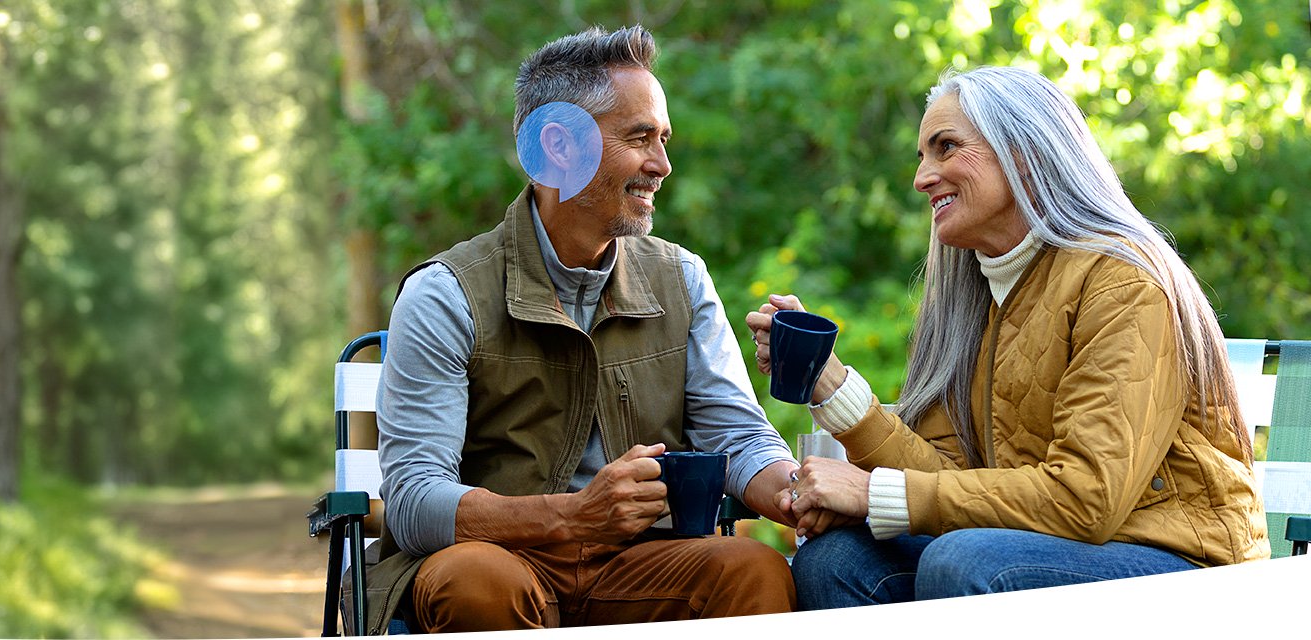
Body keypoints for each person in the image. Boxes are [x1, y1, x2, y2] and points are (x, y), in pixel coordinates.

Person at [744, 66, 1269, 609]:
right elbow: (951, 481)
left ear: (1023, 152)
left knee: (965, 562)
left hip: (1186, 563)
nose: (923, 177)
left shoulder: (1122, 281)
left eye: (946, 147)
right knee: (837, 561)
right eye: (922, 156)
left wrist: (874, 494)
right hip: (1045, 543)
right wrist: (829, 384)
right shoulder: (977, 298)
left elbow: (1086, 498)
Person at [364, 25, 799, 633]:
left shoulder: (683, 278)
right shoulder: (446, 293)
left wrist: (796, 495)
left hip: (642, 568)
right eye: (640, 138)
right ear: (560, 147)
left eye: (664, 139)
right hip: (503, 562)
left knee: (753, 569)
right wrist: (571, 517)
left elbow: (738, 438)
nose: (663, 165)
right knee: (475, 583)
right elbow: (411, 502)